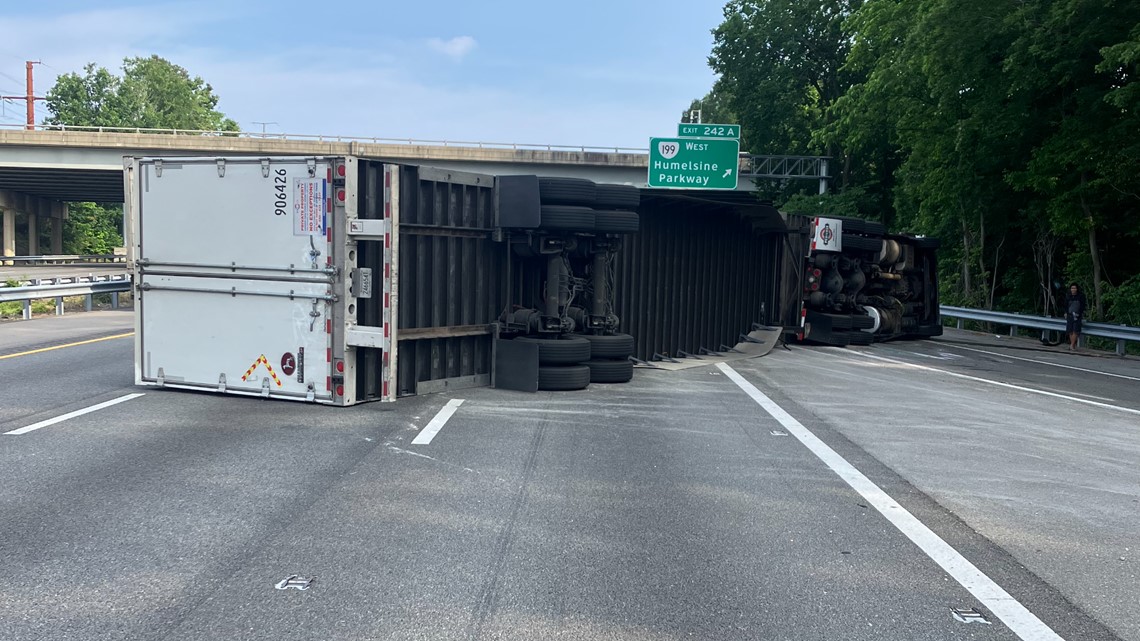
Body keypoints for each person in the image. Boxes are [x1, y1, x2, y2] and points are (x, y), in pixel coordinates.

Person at [1064, 283, 1087, 351]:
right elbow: (1065, 305)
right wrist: (1066, 312)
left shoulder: (1080, 296)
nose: (1073, 290)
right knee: (1070, 330)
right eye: (1072, 288)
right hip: (1070, 315)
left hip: (1077, 315)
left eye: (1074, 288)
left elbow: (1083, 306)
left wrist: (1080, 313)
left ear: (1077, 289)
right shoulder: (1068, 296)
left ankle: (1072, 345)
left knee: (1075, 331)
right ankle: (1072, 345)